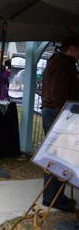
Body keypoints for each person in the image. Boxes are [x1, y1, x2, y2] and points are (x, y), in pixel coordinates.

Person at [40, 37, 79, 212]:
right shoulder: (63, 64)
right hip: (58, 112)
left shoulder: (58, 61)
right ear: (71, 48)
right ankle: (52, 197)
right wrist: (66, 116)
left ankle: (54, 196)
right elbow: (59, 94)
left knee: (55, 155)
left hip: (55, 111)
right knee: (57, 156)